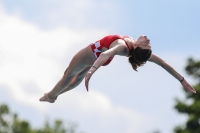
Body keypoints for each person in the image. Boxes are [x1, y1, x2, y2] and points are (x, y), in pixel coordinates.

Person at [39, 34, 196, 103]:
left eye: (146, 43)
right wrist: (182, 80)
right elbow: (164, 63)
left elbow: (106, 54)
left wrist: (92, 71)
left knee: (68, 75)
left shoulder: (123, 46)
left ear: (138, 46)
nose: (148, 39)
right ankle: (54, 96)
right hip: (99, 57)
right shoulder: (136, 49)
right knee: (78, 77)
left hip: (93, 54)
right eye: (148, 42)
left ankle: (51, 96)